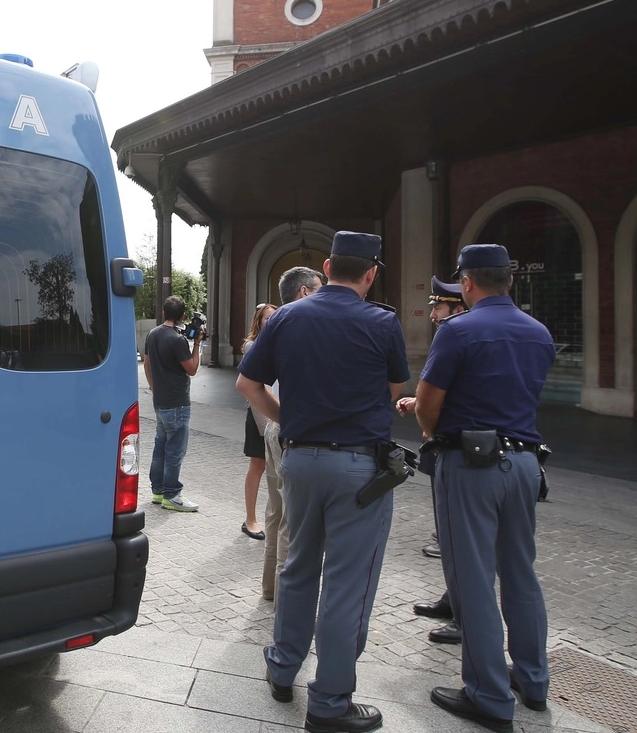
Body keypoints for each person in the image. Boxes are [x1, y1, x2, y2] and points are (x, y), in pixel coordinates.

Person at [237, 232, 408, 733]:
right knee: (347, 582)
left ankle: (282, 666)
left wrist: (286, 418)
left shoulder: (287, 316)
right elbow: (393, 389)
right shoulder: (383, 322)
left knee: (298, 564)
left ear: (329, 265)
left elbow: (247, 384)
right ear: (371, 273)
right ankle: (330, 701)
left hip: (300, 460)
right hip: (358, 465)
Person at [412, 244, 556, 733]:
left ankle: (488, 695)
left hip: (470, 463)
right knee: (521, 573)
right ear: (509, 281)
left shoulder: (457, 330)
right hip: (525, 463)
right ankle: (533, 681)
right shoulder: (539, 333)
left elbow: (428, 404)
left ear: (467, 284)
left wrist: (433, 436)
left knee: (472, 578)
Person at [398, 275, 467, 646]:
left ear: (458, 306)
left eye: (438, 307)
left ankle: (463, 615)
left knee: (461, 538)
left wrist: (424, 416)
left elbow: (433, 398)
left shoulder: (454, 333)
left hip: (459, 449)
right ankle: (452, 599)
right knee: (453, 536)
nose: (433, 315)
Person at [255, 266, 323, 601]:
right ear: (305, 292)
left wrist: (277, 417)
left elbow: (247, 382)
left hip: (276, 427)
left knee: (275, 511)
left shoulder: (278, 324)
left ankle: (270, 588)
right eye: (320, 287)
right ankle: (285, 599)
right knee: (290, 520)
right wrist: (288, 417)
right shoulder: (301, 323)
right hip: (289, 430)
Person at [143, 295, 203, 512]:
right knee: (175, 451)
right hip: (177, 403)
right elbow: (192, 369)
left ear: (164, 313)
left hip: (159, 401)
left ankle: (157, 491)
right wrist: (196, 344)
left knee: (160, 448)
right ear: (183, 316)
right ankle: (172, 495)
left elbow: (147, 365)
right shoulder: (177, 340)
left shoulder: (153, 334)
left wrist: (153, 388)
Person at [240, 302, 278, 540]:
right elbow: (255, 388)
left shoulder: (279, 343)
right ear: (258, 321)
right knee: (258, 465)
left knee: (276, 469)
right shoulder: (253, 345)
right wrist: (266, 425)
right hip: (261, 416)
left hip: (278, 414)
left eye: (275, 317)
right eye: (267, 318)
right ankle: (250, 519)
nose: (271, 321)